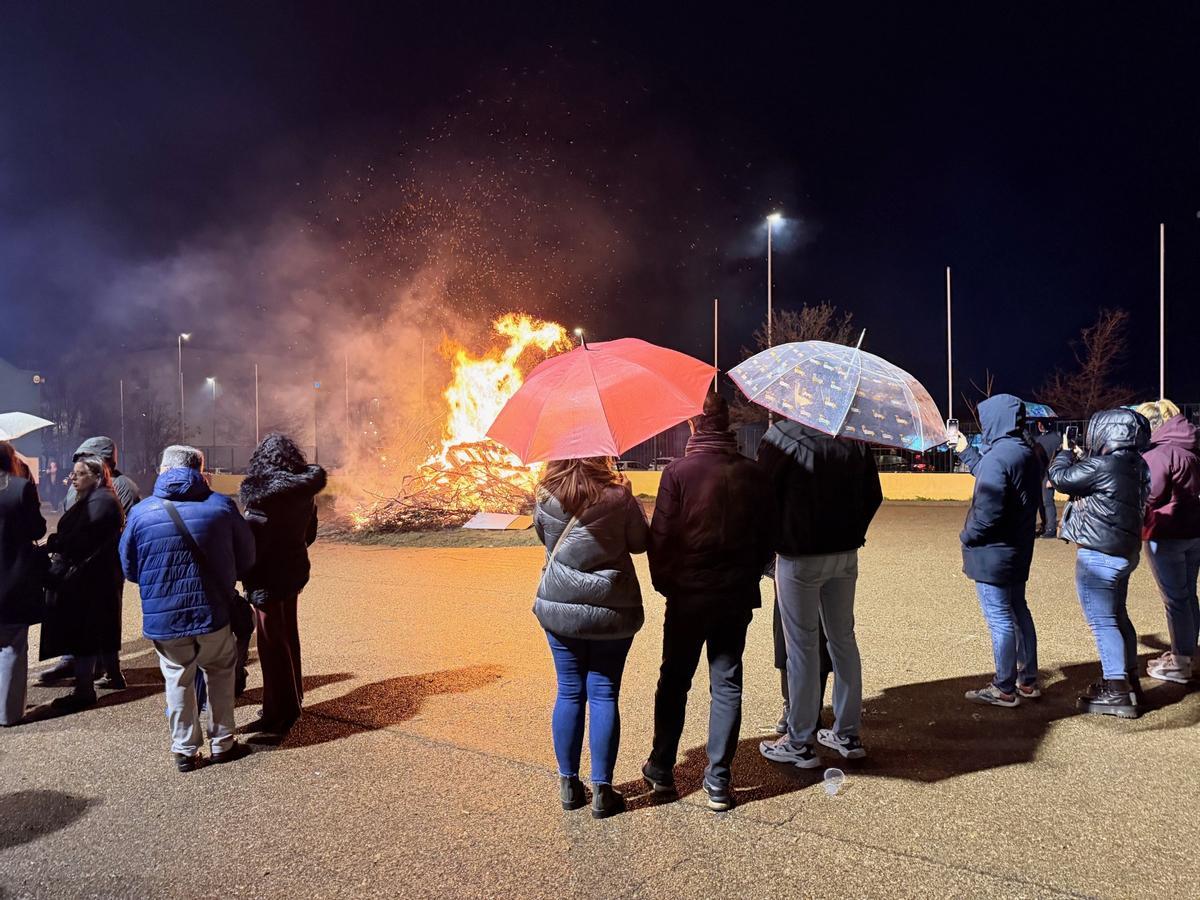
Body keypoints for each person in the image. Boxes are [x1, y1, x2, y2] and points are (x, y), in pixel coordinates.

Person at [641, 394, 774, 812]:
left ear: (694, 425)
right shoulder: (753, 473)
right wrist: (748, 575)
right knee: (727, 683)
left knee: (674, 680)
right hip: (734, 595)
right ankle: (718, 780)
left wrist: (667, 584)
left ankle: (662, 768)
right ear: (726, 424)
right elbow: (766, 537)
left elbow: (661, 537)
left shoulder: (678, 472)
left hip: (688, 595)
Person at [757, 416, 882, 768]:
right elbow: (873, 495)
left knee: (802, 648)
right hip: (844, 552)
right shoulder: (853, 440)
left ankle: (799, 740)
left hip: (799, 555)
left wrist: (774, 541)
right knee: (843, 640)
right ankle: (847, 733)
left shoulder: (782, 436)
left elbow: (761, 496)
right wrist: (852, 532)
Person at [120, 445, 255, 771]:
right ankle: (222, 743)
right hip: (212, 609)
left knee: (177, 676)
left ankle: (185, 750)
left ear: (163, 470)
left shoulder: (141, 513)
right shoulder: (221, 506)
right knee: (219, 673)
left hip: (165, 615)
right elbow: (247, 556)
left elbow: (129, 568)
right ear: (200, 471)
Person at [533, 456, 649, 819]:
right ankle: (602, 791)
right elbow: (640, 543)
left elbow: (545, 539)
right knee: (603, 692)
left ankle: (568, 785)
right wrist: (630, 499)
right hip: (611, 607)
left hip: (560, 605)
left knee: (569, 690)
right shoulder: (618, 495)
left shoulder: (545, 493)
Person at [1048, 408, 1151, 718]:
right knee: (1118, 615)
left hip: (1099, 554)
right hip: (1124, 552)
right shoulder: (1137, 465)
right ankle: (1129, 680)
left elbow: (1060, 479)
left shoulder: (1103, 465)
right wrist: (1085, 457)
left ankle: (1117, 689)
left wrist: (1064, 453)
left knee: (1103, 621)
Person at [955, 395, 1043, 708]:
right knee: (1019, 611)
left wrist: (967, 536)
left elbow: (987, 511)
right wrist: (965, 450)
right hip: (1018, 548)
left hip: (993, 552)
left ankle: (1004, 687)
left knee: (1000, 619)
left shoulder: (998, 457)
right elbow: (991, 472)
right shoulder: (1026, 452)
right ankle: (1027, 680)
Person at [238, 434, 326, 734]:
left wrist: (244, 568)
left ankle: (279, 712)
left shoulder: (261, 496)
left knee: (270, 642)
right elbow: (310, 534)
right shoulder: (304, 492)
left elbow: (252, 541)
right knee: (288, 634)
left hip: (266, 574)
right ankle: (293, 696)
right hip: (293, 570)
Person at [39, 436, 140, 688]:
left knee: (100, 619)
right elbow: (71, 511)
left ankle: (100, 670)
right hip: (83, 564)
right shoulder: (85, 486)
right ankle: (75, 661)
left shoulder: (119, 488)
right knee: (90, 619)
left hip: (99, 565)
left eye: (84, 463)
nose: (75, 474)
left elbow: (98, 531)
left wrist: (59, 543)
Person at [1134, 399, 1200, 684]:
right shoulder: (1189, 448)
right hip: (1192, 530)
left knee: (1175, 599)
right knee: (1187, 595)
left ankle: (1181, 661)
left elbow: (1151, 495)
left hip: (1166, 532)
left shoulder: (1160, 453)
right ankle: (1186, 653)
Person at [0, 441, 47, 725]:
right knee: (13, 646)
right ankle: (8, 713)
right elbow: (37, 529)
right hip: (13, 578)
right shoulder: (20, 489)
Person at [1033, 420, 1061, 539]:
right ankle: (1047, 526)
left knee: (1046, 502)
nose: (1039, 426)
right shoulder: (1057, 439)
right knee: (1044, 501)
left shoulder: (1039, 440)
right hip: (1046, 474)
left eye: (1040, 423)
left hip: (1044, 474)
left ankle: (1050, 528)